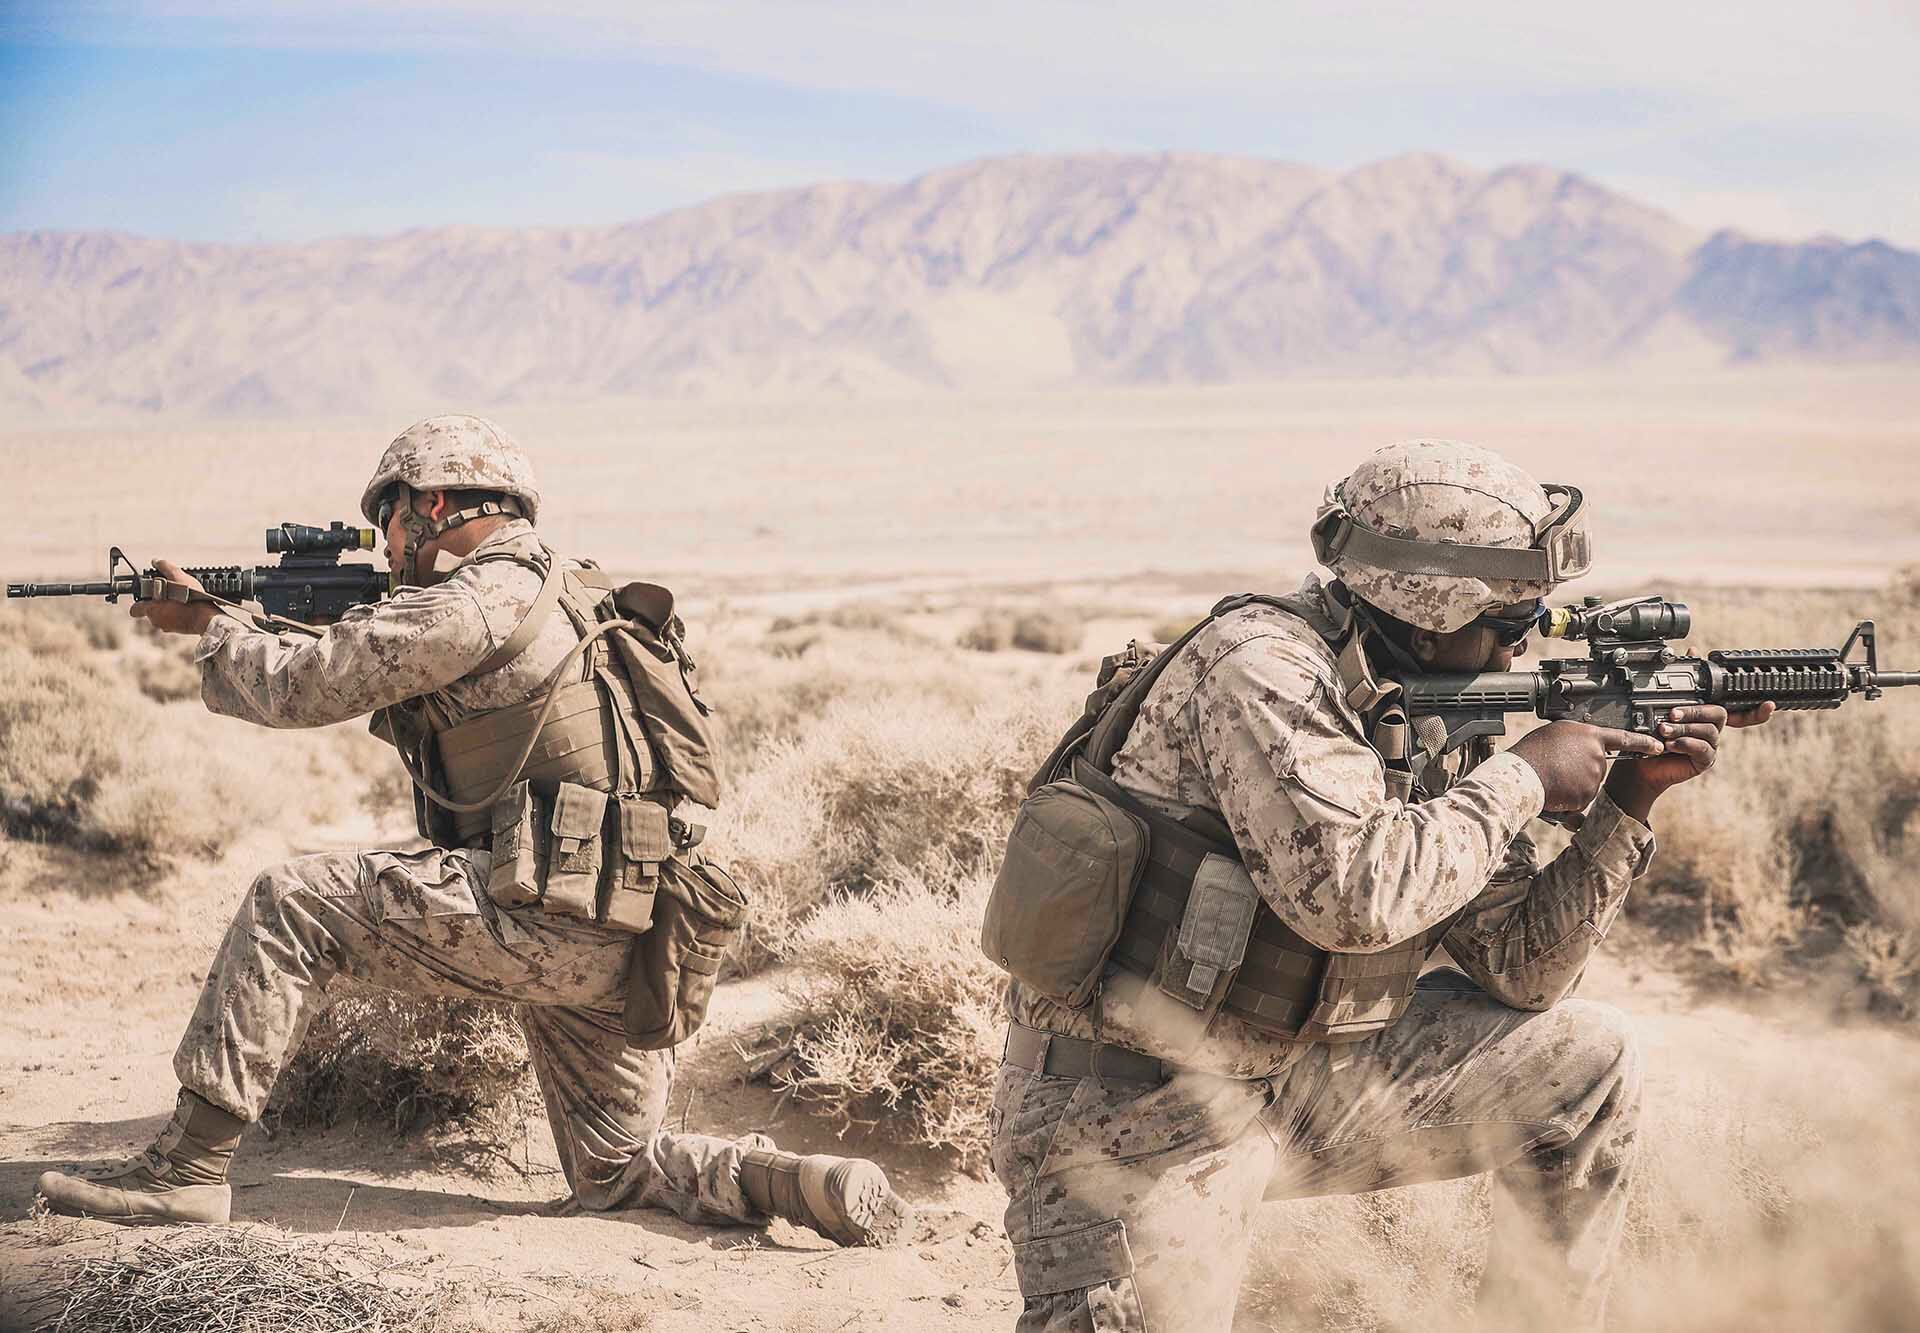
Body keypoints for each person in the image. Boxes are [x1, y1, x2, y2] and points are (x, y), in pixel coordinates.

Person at [35, 414, 910, 1248]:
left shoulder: (471, 600)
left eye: (390, 519)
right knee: (619, 1169)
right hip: (628, 926)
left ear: (437, 507)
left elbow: (302, 687)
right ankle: (795, 1180)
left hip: (537, 919)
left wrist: (212, 628)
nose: (383, 543)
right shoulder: (571, 588)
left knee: (288, 905)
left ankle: (183, 1170)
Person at [985, 440, 1774, 1330]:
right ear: (1433, 607)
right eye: (1512, 619)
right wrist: (1521, 779)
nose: (1523, 643)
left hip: (1294, 1075)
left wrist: (1629, 801)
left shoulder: (1428, 702)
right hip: (1132, 1110)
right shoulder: (1262, 669)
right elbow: (1353, 898)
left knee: (1588, 1062)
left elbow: (1523, 970)